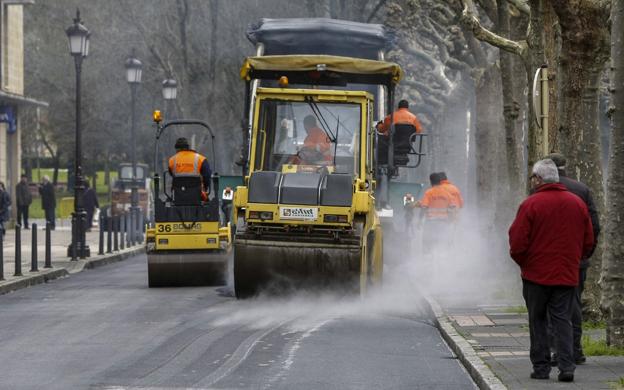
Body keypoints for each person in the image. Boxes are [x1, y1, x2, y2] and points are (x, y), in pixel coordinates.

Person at [508, 159, 594, 383]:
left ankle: (541, 367)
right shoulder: (577, 203)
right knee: (563, 320)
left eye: (532, 178)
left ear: (538, 178)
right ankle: (567, 366)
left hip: (536, 275)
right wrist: (575, 259)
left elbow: (517, 241)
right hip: (567, 273)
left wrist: (524, 263)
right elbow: (588, 239)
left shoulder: (531, 204)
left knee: (537, 320)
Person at [546, 153, 600, 366]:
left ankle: (556, 351)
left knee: (553, 307)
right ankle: (575, 350)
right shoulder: (582, 190)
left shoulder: (540, 190)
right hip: (576, 260)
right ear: (566, 166)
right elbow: (594, 226)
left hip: (548, 261)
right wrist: (585, 253)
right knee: (574, 305)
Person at [413, 173, 458, 255]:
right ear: (440, 181)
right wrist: (451, 222)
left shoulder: (429, 193)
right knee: (442, 245)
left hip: (431, 223)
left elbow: (424, 207)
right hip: (443, 224)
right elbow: (452, 208)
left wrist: (419, 220)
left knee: (427, 245)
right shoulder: (447, 193)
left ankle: (427, 262)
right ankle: (442, 262)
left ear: (431, 182)